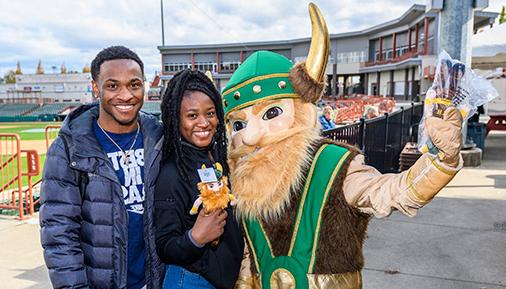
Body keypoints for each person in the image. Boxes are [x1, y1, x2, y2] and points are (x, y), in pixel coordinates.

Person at [224, 4, 463, 289]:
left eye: (271, 113)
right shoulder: (243, 183)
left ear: (301, 112)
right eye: (238, 125)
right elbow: (249, 261)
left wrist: (440, 158)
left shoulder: (335, 165)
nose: (249, 137)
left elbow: (391, 193)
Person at [40, 46, 164, 289]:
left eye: (134, 84)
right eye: (113, 85)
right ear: (96, 88)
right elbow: (59, 235)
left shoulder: (159, 137)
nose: (126, 95)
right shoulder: (70, 147)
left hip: (154, 281)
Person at [154, 69, 244, 289]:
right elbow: (165, 245)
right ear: (176, 119)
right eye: (192, 115)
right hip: (190, 281)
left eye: (210, 113)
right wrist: (196, 237)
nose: (204, 123)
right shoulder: (172, 173)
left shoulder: (219, 157)